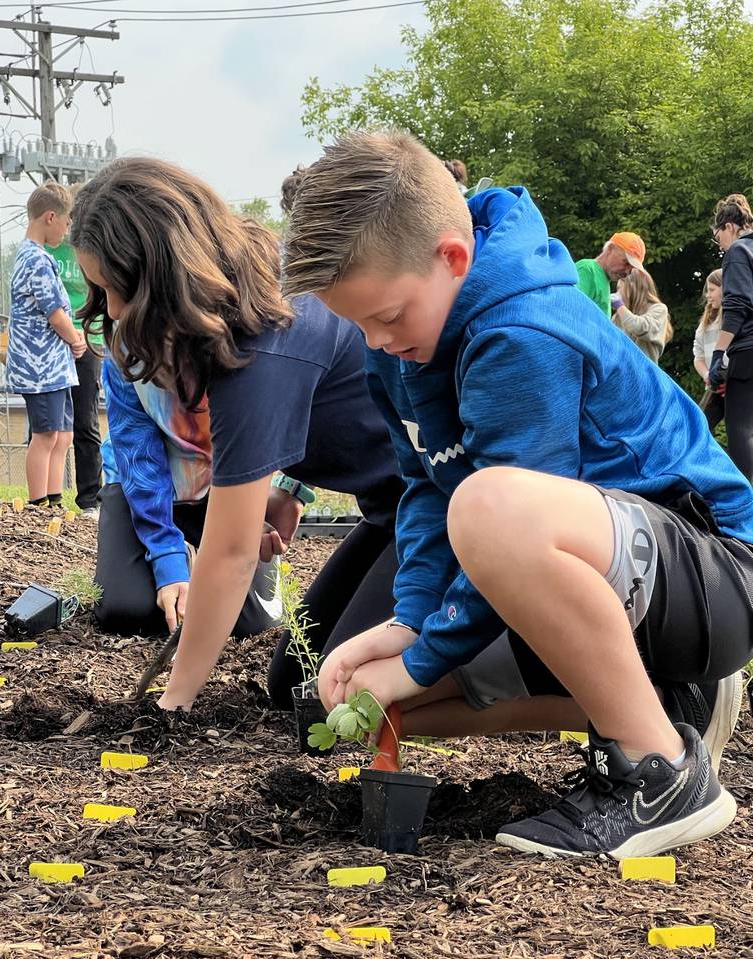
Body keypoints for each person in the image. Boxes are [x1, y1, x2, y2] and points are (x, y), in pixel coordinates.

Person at [281, 131, 753, 860]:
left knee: (491, 506)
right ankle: (666, 700)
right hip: (614, 582)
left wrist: (422, 651)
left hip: (713, 574)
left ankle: (657, 772)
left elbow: (500, 512)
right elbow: (426, 486)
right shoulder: (407, 345)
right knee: (373, 696)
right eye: (359, 326)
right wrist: (410, 626)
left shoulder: (520, 329)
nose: (376, 343)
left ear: (453, 259)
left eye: (389, 316)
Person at [70, 157, 405, 708]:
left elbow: (229, 555)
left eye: (115, 289)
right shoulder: (242, 291)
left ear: (162, 276)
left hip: (442, 508)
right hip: (387, 509)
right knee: (292, 682)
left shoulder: (264, 336)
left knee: (335, 692)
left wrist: (173, 702)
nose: (110, 310)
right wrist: (290, 487)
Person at [93, 360, 283, 639]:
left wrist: (283, 492)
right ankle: (180, 552)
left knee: (252, 623)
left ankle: (195, 559)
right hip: (139, 487)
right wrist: (167, 559)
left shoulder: (254, 344)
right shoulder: (125, 341)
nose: (112, 314)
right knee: (126, 610)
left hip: (225, 486)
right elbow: (139, 457)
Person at [7, 182, 86, 506]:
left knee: (62, 435)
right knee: (45, 435)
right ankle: (38, 504)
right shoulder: (35, 259)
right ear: (50, 217)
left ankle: (55, 499)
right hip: (39, 365)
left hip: (55, 365)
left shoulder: (34, 256)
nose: (67, 232)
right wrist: (76, 338)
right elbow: (55, 313)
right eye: (67, 223)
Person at [46, 186, 103, 519]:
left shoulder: (92, 248)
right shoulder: (48, 249)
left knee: (85, 421)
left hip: (87, 340)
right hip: (53, 343)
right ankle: (46, 494)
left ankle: (90, 499)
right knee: (49, 423)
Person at [708, 194, 753, 480]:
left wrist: (717, 355)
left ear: (728, 227)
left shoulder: (738, 251)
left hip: (747, 354)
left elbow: (737, 307)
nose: (720, 246)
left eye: (717, 238)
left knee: (742, 434)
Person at [610, 268, 673, 364]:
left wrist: (619, 305)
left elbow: (638, 327)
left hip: (643, 374)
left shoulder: (659, 310)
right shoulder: (618, 317)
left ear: (631, 286)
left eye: (619, 288)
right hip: (619, 372)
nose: (617, 293)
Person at [575, 233, 646, 316]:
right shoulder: (588, 270)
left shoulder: (603, 279)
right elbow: (569, 311)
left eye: (632, 268)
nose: (627, 272)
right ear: (610, 249)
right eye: (626, 263)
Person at [694, 269, 725, 434]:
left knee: (739, 433)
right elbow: (698, 356)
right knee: (699, 427)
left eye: (712, 290)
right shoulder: (704, 325)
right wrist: (707, 375)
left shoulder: (735, 318)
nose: (707, 295)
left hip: (738, 387)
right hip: (714, 388)